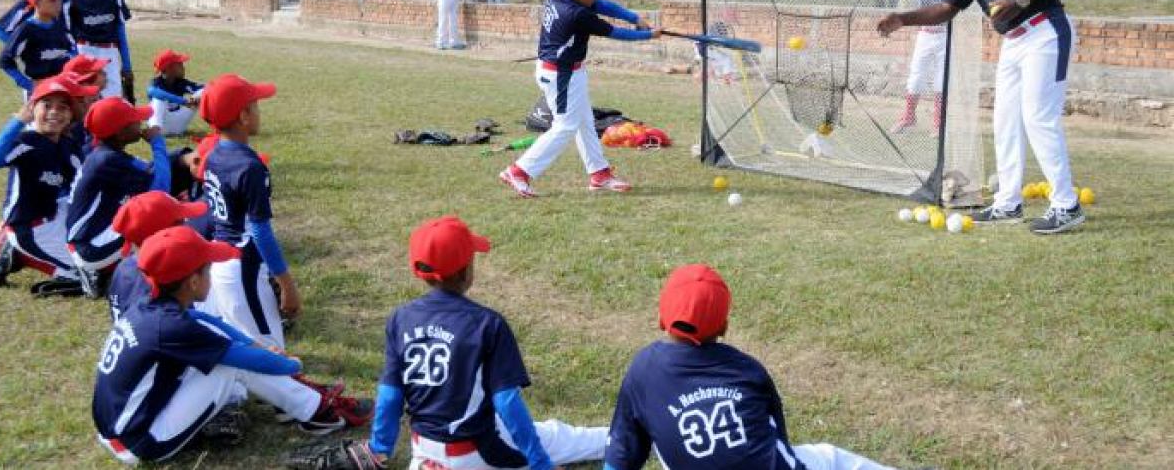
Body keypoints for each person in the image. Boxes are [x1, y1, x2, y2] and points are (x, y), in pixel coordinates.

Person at [876, 0, 1083, 234]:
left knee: (1038, 118)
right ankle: (1008, 203)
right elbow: (945, 9)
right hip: (1013, 43)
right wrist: (903, 18)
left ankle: (1066, 205)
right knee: (1004, 122)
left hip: (1045, 30)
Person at [92, 226, 372, 465]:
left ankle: (309, 407)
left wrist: (254, 345)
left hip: (118, 427)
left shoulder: (149, 304)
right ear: (192, 281)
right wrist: (291, 364)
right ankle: (317, 411)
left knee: (225, 349)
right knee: (228, 366)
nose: (212, 275)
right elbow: (247, 360)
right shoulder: (172, 326)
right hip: (141, 441)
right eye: (208, 269)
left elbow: (209, 322)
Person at [604, 264, 913, 470]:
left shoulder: (642, 369)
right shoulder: (746, 370)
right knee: (831, 458)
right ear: (724, 326)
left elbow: (621, 455)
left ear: (661, 319)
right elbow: (778, 443)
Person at [365, 216, 608, 470]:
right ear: (465, 271)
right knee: (558, 436)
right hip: (477, 452)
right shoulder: (486, 324)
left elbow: (390, 395)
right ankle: (625, 435)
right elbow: (507, 402)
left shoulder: (400, 318)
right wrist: (539, 462)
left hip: (424, 452)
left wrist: (379, 448)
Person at [499, 0, 659, 198]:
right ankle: (519, 171)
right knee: (565, 126)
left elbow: (600, 4)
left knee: (585, 121)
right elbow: (615, 32)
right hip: (560, 75)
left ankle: (600, 174)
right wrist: (648, 35)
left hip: (570, 71)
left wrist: (634, 17)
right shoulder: (576, 15)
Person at [198, 74, 302, 348]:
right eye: (255, 106)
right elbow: (260, 231)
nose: (259, 113)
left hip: (222, 259)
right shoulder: (250, 167)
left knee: (247, 345)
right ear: (243, 116)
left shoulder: (214, 155)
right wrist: (287, 285)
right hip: (242, 266)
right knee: (273, 355)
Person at [0, 76, 99, 292]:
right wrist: (17, 122)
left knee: (95, 253)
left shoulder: (67, 145)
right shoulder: (27, 141)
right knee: (85, 275)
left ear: (71, 115)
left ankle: (22, 254)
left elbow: (82, 182)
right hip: (27, 226)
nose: (54, 112)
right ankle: (20, 255)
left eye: (63, 107)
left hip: (54, 214)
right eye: (47, 105)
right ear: (32, 109)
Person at [67, 97, 170, 297]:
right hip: (90, 247)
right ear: (120, 133)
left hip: (93, 236)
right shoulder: (107, 160)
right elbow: (161, 189)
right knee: (159, 216)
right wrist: (157, 143)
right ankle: (101, 272)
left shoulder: (106, 153)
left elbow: (150, 170)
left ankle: (106, 270)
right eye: (134, 121)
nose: (140, 123)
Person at [107, 191, 211, 322]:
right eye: (181, 221)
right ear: (162, 236)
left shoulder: (125, 267)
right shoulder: (161, 283)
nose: (187, 226)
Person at [63, 0, 135, 101]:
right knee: (87, 101)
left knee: (113, 101)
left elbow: (120, 31)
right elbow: (67, 37)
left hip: (110, 51)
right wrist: (76, 63)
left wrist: (127, 65)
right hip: (84, 51)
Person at [891, 0, 948, 136]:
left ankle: (938, 123)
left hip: (944, 35)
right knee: (916, 77)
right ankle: (909, 117)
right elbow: (932, 2)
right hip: (925, 35)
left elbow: (945, 4)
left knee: (941, 80)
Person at [0, 0, 78, 99]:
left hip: (62, 85)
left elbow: (72, 49)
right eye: (52, 0)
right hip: (39, 89)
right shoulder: (26, 30)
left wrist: (71, 71)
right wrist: (27, 84)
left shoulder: (59, 25)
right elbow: (4, 61)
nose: (58, 4)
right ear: (37, 3)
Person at [148, 49, 204, 136]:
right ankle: (154, 131)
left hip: (178, 126)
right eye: (180, 64)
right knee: (158, 100)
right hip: (161, 126)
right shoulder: (156, 83)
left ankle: (221, 125)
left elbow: (202, 88)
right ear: (169, 68)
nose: (183, 67)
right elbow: (153, 92)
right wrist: (184, 101)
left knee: (202, 92)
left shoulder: (181, 82)